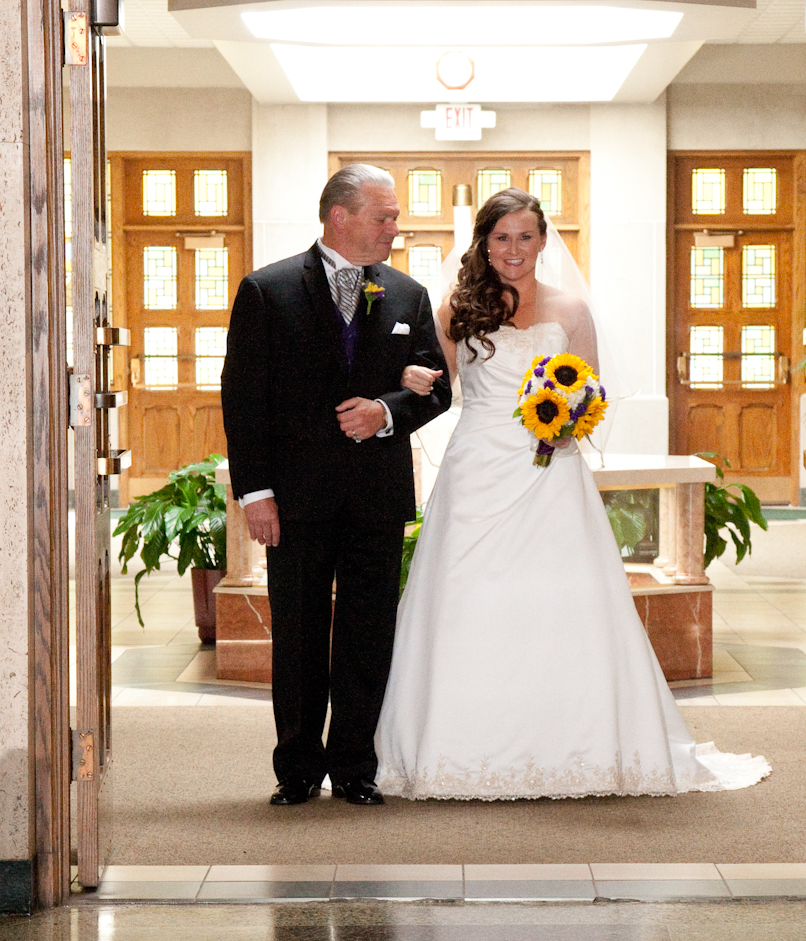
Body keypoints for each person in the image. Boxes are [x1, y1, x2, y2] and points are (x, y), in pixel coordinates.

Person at [374, 188, 769, 800]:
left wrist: (567, 425)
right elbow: (436, 385)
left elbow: (589, 391)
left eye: (525, 237)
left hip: (550, 472)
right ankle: (453, 745)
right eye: (502, 237)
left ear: (542, 241)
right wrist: (407, 376)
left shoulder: (571, 309)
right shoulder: (458, 306)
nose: (514, 249)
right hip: (477, 470)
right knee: (466, 595)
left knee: (562, 597)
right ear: (484, 242)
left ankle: (574, 743)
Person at [221, 164, 452, 807]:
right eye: (385, 216)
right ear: (339, 216)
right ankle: (297, 768)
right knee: (297, 634)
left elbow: (436, 389)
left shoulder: (407, 295)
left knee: (368, 632)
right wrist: (256, 493)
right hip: (295, 499)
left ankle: (355, 766)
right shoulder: (267, 290)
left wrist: (386, 412)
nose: (395, 227)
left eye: (395, 216)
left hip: (376, 495)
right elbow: (243, 399)